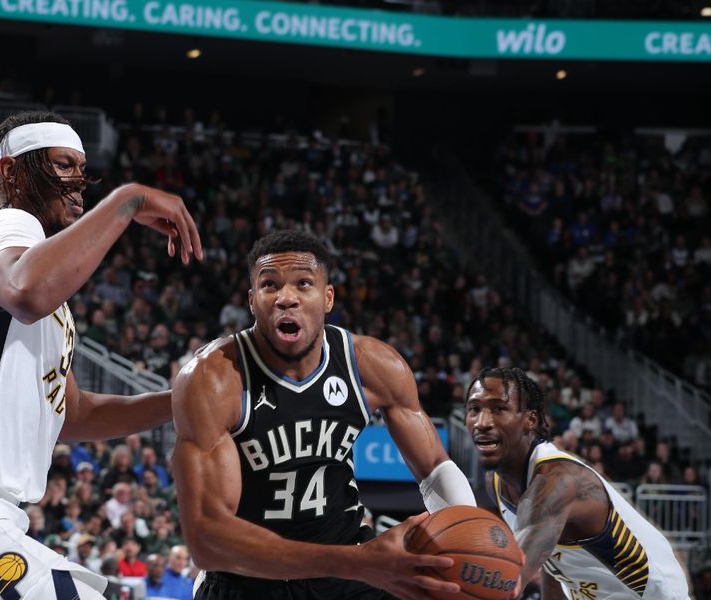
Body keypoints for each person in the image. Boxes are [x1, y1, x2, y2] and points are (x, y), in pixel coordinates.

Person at [0, 111, 202, 599]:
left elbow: (70, 414)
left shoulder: (46, 289)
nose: (78, 184)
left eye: (82, 171)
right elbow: (28, 291)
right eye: (63, 166)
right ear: (12, 173)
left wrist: (184, 400)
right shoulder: (3, 226)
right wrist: (127, 201)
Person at [171, 230, 477, 600]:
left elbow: (434, 468)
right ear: (253, 302)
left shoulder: (373, 365)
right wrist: (356, 562)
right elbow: (207, 540)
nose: (287, 298)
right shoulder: (213, 378)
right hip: (248, 579)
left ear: (327, 297)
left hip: (347, 570)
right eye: (270, 286)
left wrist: (469, 541)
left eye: (303, 284)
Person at [465, 367, 690, 599]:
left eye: (499, 409)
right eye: (474, 409)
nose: (482, 422)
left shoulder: (558, 482)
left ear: (530, 419)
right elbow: (551, 560)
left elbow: (510, 583)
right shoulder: (497, 483)